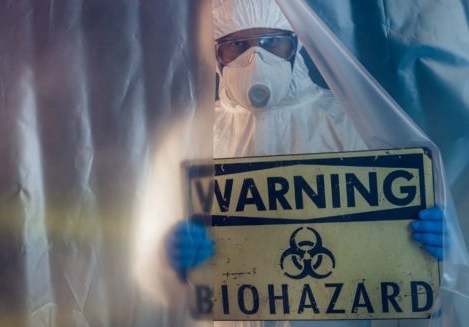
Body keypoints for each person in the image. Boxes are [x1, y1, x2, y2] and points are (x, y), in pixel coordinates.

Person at [164, 0, 445, 326]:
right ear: (217, 54)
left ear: (296, 44)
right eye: (237, 45)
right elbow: (131, 264)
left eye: (272, 42)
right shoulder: (191, 137)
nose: (255, 60)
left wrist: (429, 251)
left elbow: (395, 273)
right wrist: (166, 258)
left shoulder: (346, 123)